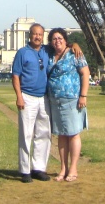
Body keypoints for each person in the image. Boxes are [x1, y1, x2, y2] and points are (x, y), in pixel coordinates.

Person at [11, 22, 82, 183]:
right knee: (26, 134)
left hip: (44, 97)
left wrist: (74, 43)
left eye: (40, 34)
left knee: (44, 134)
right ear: (29, 35)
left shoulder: (46, 50)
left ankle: (39, 168)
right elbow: (15, 76)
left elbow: (61, 45)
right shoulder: (22, 53)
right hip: (27, 96)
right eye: (35, 34)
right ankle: (25, 170)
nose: (37, 37)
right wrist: (19, 96)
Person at [46, 27, 90, 183]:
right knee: (61, 135)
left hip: (71, 99)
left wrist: (83, 95)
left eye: (60, 38)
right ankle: (63, 168)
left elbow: (85, 73)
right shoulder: (50, 54)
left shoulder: (74, 53)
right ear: (50, 42)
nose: (57, 41)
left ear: (65, 40)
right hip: (54, 100)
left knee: (73, 133)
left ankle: (73, 169)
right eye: (54, 39)